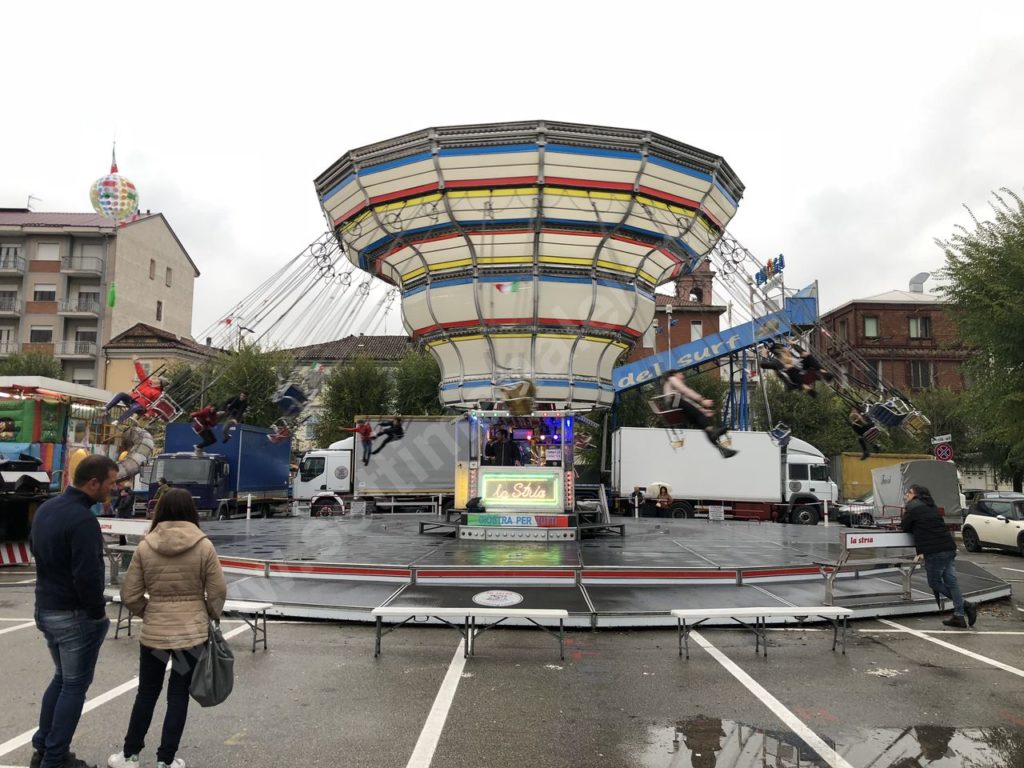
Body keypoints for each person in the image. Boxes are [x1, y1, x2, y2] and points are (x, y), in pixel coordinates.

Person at [108, 489, 227, 768]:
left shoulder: (145, 546)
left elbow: (131, 593)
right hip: (190, 634)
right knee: (178, 694)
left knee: (147, 692)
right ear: (191, 512)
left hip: (154, 634)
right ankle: (166, 760)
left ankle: (130, 755)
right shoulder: (203, 546)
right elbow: (218, 589)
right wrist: (206, 613)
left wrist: (148, 612)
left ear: (159, 510)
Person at [29, 454, 119, 768]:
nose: (115, 488)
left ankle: (43, 747)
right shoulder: (83, 520)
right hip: (74, 614)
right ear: (93, 483)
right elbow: (88, 574)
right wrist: (97, 612)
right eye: (111, 482)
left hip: (47, 607)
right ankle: (54, 758)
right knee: (74, 686)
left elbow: (36, 551)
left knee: (62, 680)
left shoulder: (47, 508)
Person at [900, 484, 977, 628]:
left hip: (934, 551)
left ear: (916, 495)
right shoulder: (932, 507)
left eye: (909, 493)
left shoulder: (912, 507)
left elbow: (904, 526)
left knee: (934, 583)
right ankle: (959, 616)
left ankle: (966, 605)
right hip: (948, 547)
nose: (907, 495)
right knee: (952, 582)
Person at [661, 372, 738, 459]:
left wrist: (703, 410)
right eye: (681, 374)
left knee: (702, 424)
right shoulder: (672, 379)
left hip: (678, 406)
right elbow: (684, 390)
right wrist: (702, 400)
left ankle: (722, 449)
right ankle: (713, 432)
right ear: (675, 374)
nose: (683, 376)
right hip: (674, 403)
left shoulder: (677, 393)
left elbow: (690, 403)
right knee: (701, 417)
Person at [104, 358, 164, 425]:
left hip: (141, 406)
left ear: (159, 383)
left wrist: (149, 414)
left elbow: (155, 405)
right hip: (133, 399)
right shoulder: (147, 383)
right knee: (121, 394)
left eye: (157, 379)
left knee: (135, 407)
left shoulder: (158, 393)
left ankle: (119, 421)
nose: (154, 378)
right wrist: (136, 362)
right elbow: (140, 373)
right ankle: (106, 408)